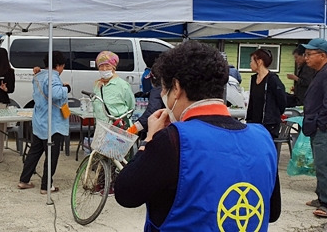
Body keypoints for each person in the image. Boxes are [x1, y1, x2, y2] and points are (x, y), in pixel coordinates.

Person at [114, 40, 281, 231]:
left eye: (164, 89)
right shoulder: (263, 137)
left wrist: (150, 138)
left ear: (176, 88)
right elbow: (272, 212)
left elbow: (125, 193)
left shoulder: (173, 140)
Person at [18, 51, 68, 194]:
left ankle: (24, 180)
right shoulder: (53, 77)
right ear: (59, 65)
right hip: (53, 122)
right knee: (51, 155)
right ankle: (47, 185)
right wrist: (66, 89)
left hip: (40, 120)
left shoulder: (39, 76)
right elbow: (57, 94)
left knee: (34, 151)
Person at [298, 38, 327, 218]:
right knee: (319, 164)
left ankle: (326, 203)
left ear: (322, 55)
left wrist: (320, 123)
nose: (305, 58)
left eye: (309, 54)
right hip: (316, 126)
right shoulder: (319, 73)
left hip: (322, 128)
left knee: (324, 165)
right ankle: (321, 196)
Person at [246, 48, 287, 139]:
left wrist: (273, 116)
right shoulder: (253, 79)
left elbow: (282, 100)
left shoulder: (273, 79)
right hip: (254, 123)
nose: (250, 64)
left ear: (259, 62)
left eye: (252, 61)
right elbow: (252, 100)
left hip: (269, 124)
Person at [92, 51, 135, 128]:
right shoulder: (97, 85)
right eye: (101, 66)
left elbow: (131, 106)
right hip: (100, 126)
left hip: (117, 126)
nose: (104, 69)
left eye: (107, 65)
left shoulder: (123, 85)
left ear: (113, 67)